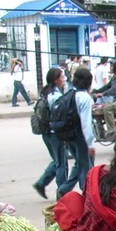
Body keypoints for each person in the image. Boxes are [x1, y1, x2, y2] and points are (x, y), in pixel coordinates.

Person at [57, 68, 96, 199]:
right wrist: (90, 144)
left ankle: (64, 189)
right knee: (86, 168)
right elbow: (86, 123)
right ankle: (87, 196)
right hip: (81, 137)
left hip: (70, 136)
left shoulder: (70, 94)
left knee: (79, 164)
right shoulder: (85, 98)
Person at [33, 68, 68, 200]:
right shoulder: (55, 96)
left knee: (57, 160)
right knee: (61, 164)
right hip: (55, 133)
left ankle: (41, 183)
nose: (64, 79)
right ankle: (62, 192)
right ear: (56, 80)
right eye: (62, 77)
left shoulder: (46, 92)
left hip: (47, 132)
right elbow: (60, 115)